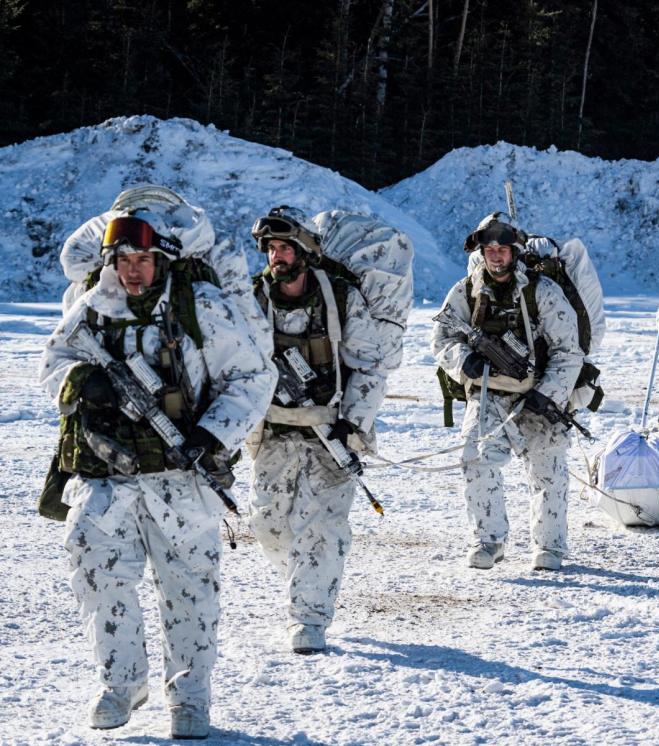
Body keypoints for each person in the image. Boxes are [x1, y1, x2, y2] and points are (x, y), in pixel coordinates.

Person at [39, 202, 275, 739]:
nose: (132, 270)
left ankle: (189, 696)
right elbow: (52, 364)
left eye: (143, 258)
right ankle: (122, 683)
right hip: (108, 476)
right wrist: (81, 383)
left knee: (190, 589)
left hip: (181, 476)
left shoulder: (201, 307)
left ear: (162, 259)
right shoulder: (94, 307)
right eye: (122, 258)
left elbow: (252, 376)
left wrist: (212, 435)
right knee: (95, 572)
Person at [246, 206, 398, 654]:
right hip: (273, 429)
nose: (276, 256)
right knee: (268, 525)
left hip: (329, 431)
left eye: (284, 248)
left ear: (306, 251)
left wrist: (354, 422)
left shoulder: (341, 298)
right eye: (271, 249)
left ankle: (308, 617)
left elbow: (369, 365)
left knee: (322, 527)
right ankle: (304, 578)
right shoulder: (254, 298)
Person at [431, 213, 584, 571]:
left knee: (548, 469)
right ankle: (488, 539)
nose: (496, 256)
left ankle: (550, 546)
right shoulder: (465, 290)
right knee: (475, 459)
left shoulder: (542, 291)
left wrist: (547, 394)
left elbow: (568, 351)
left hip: (538, 395)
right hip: (488, 393)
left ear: (514, 252)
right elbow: (441, 337)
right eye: (489, 249)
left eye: (502, 249)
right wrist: (462, 360)